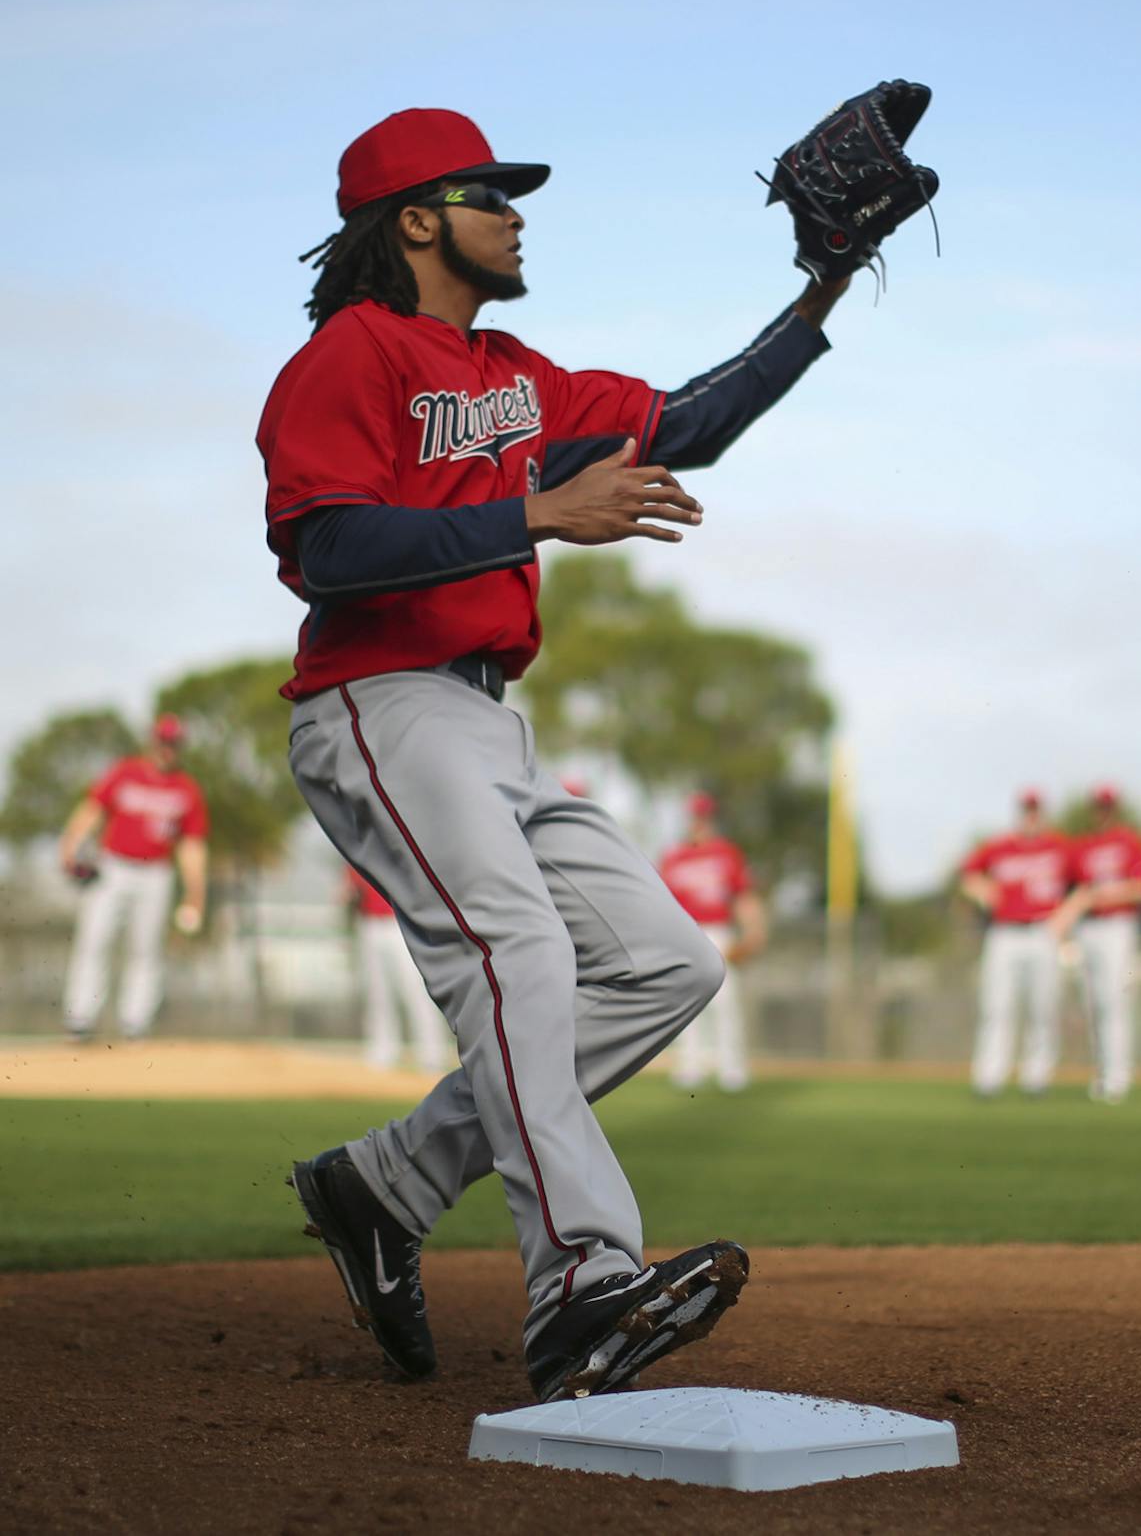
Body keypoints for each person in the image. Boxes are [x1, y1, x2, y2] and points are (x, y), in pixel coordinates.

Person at [260, 107, 853, 1400]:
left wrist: (825, 289)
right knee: (520, 952)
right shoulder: (349, 358)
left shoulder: (511, 376)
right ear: (417, 219)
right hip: (379, 695)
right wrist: (531, 510)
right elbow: (329, 552)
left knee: (667, 962)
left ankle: (388, 1183)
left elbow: (686, 420)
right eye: (491, 193)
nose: (518, 212)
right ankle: (582, 1286)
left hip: (486, 718)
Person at [57, 714, 209, 1041]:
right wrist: (69, 844)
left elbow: (191, 846)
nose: (167, 748)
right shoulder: (125, 772)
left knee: (146, 948)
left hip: (156, 873)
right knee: (94, 939)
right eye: (163, 741)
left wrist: (195, 893)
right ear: (152, 741)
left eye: (173, 743)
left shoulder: (186, 789)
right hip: (113, 866)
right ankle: (80, 1018)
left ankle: (135, 1023)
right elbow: (93, 809)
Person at [959, 790, 1073, 1097]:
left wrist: (1066, 915)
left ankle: (1037, 1077)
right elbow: (968, 876)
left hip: (1042, 931)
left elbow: (1084, 883)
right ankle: (989, 1077)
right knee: (997, 1006)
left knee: (1042, 1006)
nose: (1031, 817)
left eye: (1035, 811)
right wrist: (985, 892)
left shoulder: (1059, 847)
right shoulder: (1000, 847)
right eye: (1026, 810)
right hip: (1005, 932)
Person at [659, 792, 768, 1093]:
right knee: (686, 1001)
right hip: (686, 933)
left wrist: (753, 930)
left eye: (704, 816)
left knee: (724, 1002)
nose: (699, 822)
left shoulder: (726, 854)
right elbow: (662, 902)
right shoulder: (675, 857)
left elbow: (744, 895)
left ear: (712, 819)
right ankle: (690, 1065)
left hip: (719, 931)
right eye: (695, 816)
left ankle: (731, 1067)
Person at [1051, 785, 1141, 1103]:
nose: (1103, 812)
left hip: (1116, 925)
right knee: (1093, 1004)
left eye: (1107, 806)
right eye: (1099, 806)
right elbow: (1069, 891)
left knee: (1113, 1001)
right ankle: (1102, 1074)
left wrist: (1100, 895)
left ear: (1115, 809)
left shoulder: (1129, 842)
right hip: (1088, 928)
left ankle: (1118, 1076)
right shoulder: (1081, 847)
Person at [348, 867, 453, 1074]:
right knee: (377, 993)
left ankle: (431, 1052)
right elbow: (351, 889)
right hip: (369, 923)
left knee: (415, 990)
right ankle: (382, 1050)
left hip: (400, 925)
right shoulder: (361, 847)